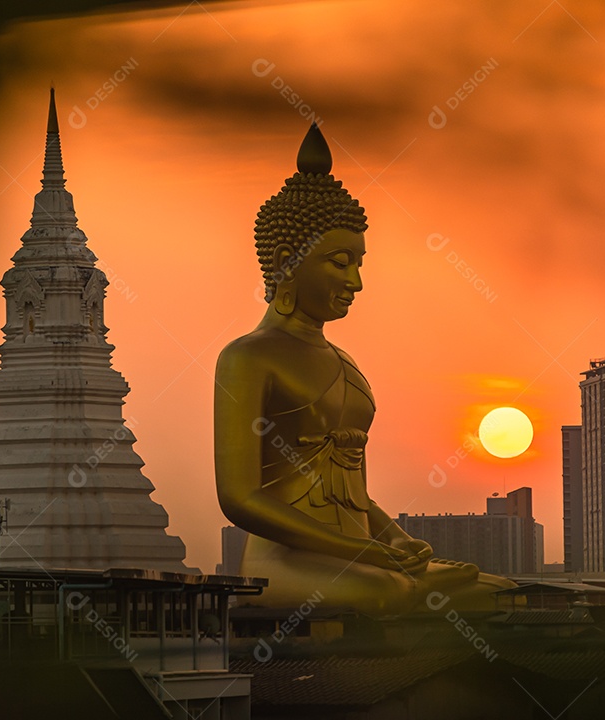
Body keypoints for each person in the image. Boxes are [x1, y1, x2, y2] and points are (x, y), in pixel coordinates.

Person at [214, 124, 514, 614]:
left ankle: (403, 582)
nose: (355, 281)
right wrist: (360, 552)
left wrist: (395, 539)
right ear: (287, 262)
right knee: (387, 593)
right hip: (286, 559)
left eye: (359, 263)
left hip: (362, 556)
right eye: (340, 262)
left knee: (496, 590)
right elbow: (240, 498)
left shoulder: (344, 363)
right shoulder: (247, 357)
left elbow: (356, 494)